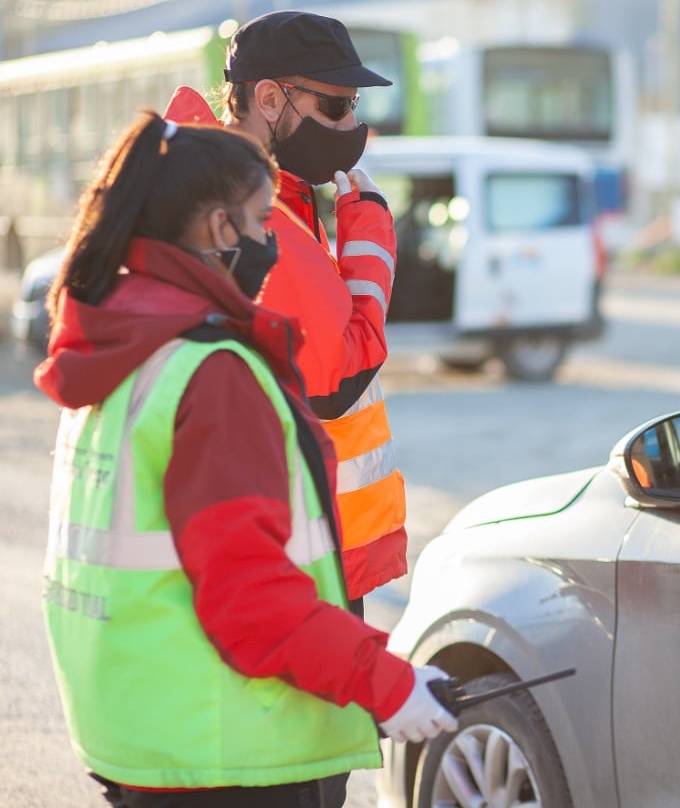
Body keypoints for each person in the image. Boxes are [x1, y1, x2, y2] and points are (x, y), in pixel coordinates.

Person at [36, 112, 457, 808]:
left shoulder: (118, 351)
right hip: (227, 754)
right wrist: (389, 683)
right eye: (264, 220)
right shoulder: (215, 374)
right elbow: (253, 597)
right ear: (218, 229)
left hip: (145, 739)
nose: (272, 242)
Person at [163, 10, 408, 617]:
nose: (352, 126)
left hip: (283, 533)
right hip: (297, 552)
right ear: (270, 98)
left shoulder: (231, 186)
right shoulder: (255, 211)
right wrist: (370, 230)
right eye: (335, 107)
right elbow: (335, 382)